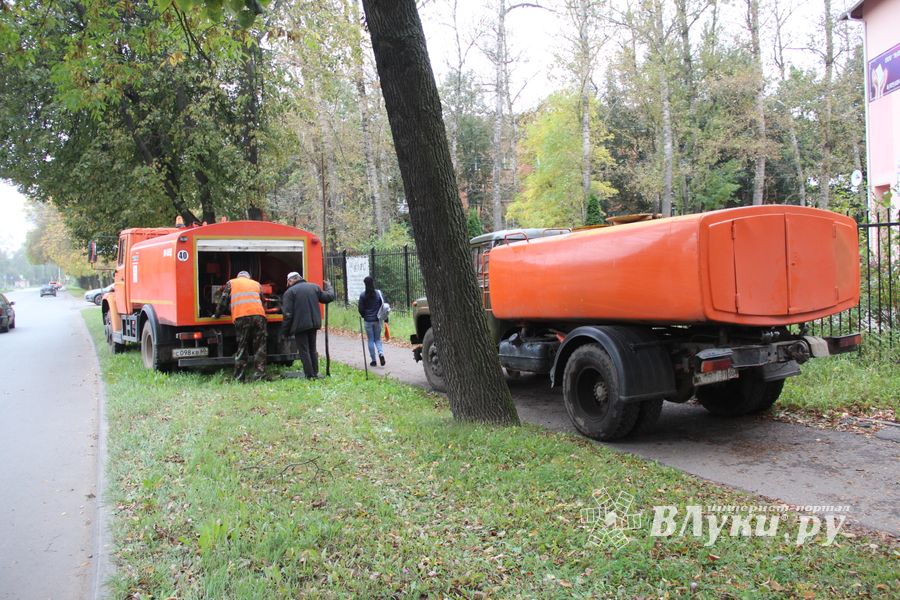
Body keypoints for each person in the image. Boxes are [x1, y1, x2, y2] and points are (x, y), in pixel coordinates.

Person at [213, 271, 268, 382]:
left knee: (243, 346)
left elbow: (223, 301)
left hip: (242, 317)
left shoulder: (231, 283)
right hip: (259, 316)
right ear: (249, 277)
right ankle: (259, 375)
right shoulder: (256, 284)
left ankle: (239, 378)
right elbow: (263, 301)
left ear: (238, 277)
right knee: (260, 347)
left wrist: (217, 314)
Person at [280, 271, 335, 378]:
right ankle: (315, 372)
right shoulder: (314, 287)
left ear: (291, 281)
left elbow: (288, 314)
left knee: (304, 350)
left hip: (300, 326)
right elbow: (329, 297)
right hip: (314, 324)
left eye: (288, 282)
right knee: (312, 349)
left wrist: (285, 332)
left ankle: (310, 375)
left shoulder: (290, 292)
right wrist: (329, 287)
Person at [358, 276, 388, 367]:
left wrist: (364, 315)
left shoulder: (363, 295)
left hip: (368, 321)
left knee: (370, 339)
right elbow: (383, 306)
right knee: (377, 339)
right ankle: (381, 354)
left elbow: (360, 309)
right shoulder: (379, 293)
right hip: (377, 320)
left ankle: (373, 360)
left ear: (365, 284)